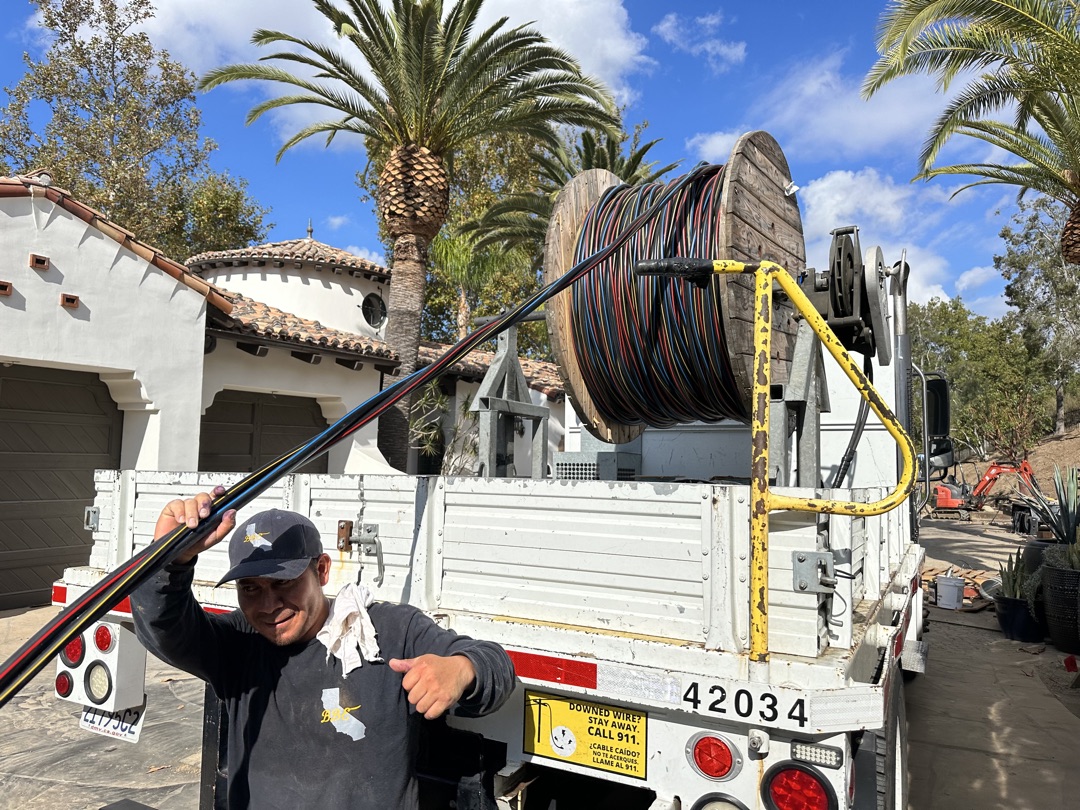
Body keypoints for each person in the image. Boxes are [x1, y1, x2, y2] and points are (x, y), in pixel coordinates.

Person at [131, 488, 516, 809]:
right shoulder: (237, 644)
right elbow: (163, 626)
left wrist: (463, 669)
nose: (268, 605)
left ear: (322, 570)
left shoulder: (386, 632)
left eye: (284, 583)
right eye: (251, 588)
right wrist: (168, 560)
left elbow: (497, 667)